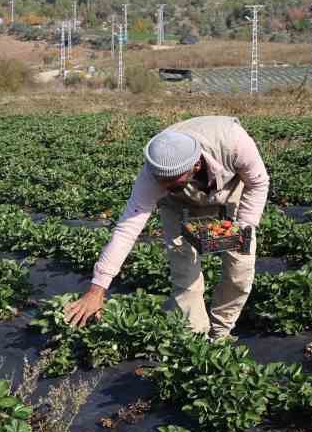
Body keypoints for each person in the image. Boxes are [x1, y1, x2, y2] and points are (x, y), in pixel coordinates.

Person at [64, 115, 269, 340]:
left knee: (240, 270)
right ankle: (195, 340)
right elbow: (127, 229)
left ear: (196, 165)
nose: (163, 186)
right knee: (185, 272)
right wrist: (97, 289)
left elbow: (258, 182)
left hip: (229, 192)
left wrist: (243, 227)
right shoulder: (154, 175)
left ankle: (220, 332)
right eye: (160, 182)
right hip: (179, 205)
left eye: (172, 183)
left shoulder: (233, 142)